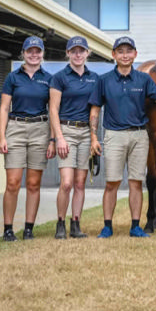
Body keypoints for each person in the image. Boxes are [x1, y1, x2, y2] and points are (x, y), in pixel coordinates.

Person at [89, 37, 156, 238]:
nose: (125, 55)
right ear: (114, 55)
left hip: (139, 136)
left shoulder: (144, 80)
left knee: (136, 182)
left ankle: (135, 226)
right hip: (114, 135)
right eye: (120, 51)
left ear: (135, 54)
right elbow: (95, 110)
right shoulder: (104, 80)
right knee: (112, 183)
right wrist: (93, 137)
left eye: (129, 51)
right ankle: (107, 226)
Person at [0, 36, 56, 242]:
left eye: (37, 51)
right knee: (13, 182)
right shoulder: (12, 78)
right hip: (15, 128)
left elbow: (54, 110)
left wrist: (52, 140)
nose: (34, 55)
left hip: (40, 129)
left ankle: (29, 228)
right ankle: (8, 229)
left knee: (33, 183)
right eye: (29, 51)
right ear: (23, 53)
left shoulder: (49, 79)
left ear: (42, 54)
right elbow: (4, 108)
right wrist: (2, 136)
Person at [50, 36, 99, 239]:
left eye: (82, 51)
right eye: (74, 51)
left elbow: (95, 109)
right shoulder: (60, 77)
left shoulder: (95, 78)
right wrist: (58, 138)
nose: (78, 54)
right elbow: (53, 109)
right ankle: (60, 222)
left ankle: (76, 223)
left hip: (85, 133)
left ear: (87, 53)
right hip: (66, 131)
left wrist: (94, 136)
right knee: (67, 183)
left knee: (80, 183)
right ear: (68, 53)